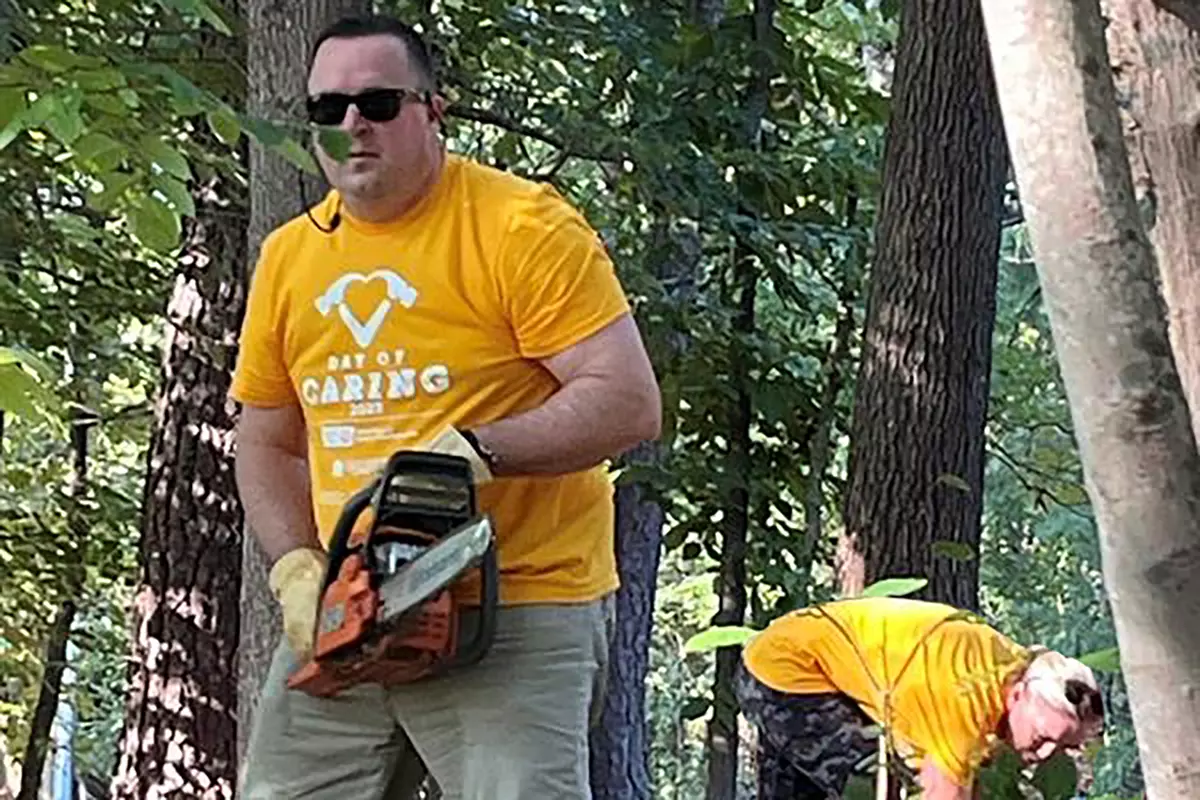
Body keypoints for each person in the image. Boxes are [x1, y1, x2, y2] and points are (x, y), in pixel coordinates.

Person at [229, 13, 662, 800]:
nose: (353, 125)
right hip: (350, 603)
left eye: (380, 103)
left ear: (434, 112)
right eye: (328, 109)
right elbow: (266, 441)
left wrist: (477, 450)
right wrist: (296, 567)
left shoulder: (518, 225)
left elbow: (626, 402)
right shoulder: (292, 257)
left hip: (514, 599)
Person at [735, 596, 1105, 799]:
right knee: (879, 789)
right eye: (1042, 738)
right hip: (788, 672)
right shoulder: (968, 695)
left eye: (1062, 746)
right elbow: (942, 790)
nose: (1043, 755)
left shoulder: (1013, 668)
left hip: (802, 663)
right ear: (1019, 694)